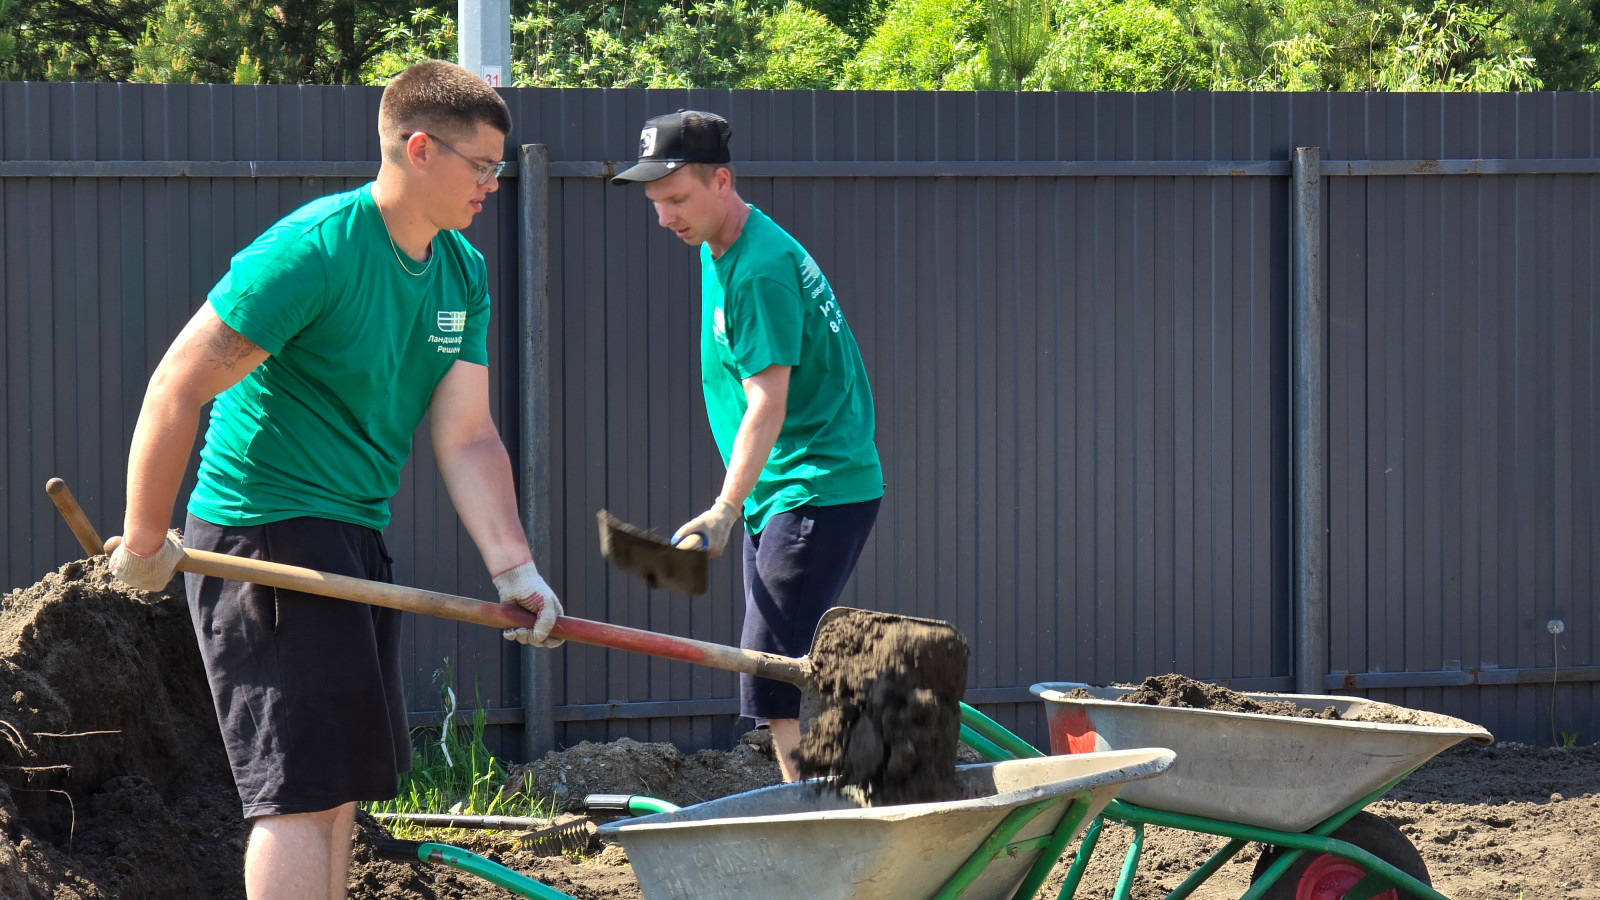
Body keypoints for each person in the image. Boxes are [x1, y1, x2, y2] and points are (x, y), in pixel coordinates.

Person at [106, 60, 562, 900]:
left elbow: (467, 436)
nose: (493, 184)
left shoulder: (460, 273)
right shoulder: (314, 250)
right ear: (420, 149)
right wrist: (143, 544)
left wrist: (516, 572)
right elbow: (177, 384)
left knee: (337, 790)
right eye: (483, 166)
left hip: (351, 536)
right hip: (265, 532)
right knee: (297, 797)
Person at [612, 110, 884, 782]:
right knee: (772, 668)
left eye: (676, 199)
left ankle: (809, 813)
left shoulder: (759, 267)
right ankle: (819, 798)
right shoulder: (722, 243)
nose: (665, 217)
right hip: (780, 487)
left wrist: (724, 508)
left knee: (767, 669)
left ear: (722, 180)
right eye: (656, 203)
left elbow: (767, 398)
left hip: (816, 485)